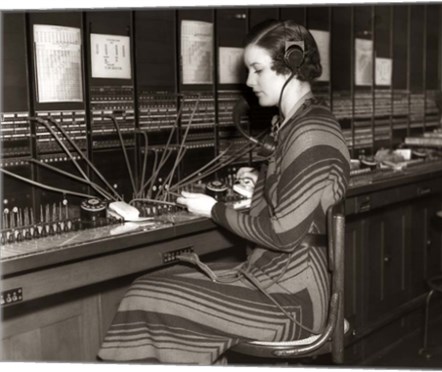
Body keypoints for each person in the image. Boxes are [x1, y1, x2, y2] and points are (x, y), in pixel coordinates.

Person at [98, 19, 350, 365]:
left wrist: (213, 208)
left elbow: (282, 234)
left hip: (293, 302)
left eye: (257, 69)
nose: (248, 81)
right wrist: (260, 182)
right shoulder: (296, 124)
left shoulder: (310, 132)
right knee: (159, 283)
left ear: (291, 66)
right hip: (273, 279)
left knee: (146, 294)